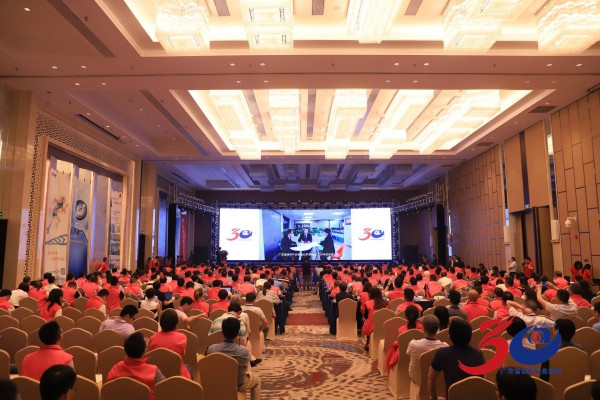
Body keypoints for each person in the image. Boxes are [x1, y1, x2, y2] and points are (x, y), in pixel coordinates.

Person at [428, 318, 485, 399]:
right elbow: (483, 380)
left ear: (450, 336)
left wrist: (434, 398)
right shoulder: (479, 353)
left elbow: (431, 378)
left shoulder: (442, 353)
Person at [206, 317, 261, 400]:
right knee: (257, 381)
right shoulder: (244, 351)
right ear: (238, 333)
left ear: (222, 332)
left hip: (217, 382)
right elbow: (244, 368)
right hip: (238, 384)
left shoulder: (211, 349)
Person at [106, 332, 165, 400]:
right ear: (144, 351)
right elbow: (164, 391)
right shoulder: (154, 372)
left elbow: (108, 391)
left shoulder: (115, 369)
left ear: (125, 349)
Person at [148, 309, 191, 379]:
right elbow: (183, 355)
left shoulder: (152, 338)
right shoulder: (182, 337)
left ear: (161, 322)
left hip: (157, 375)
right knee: (188, 367)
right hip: (178, 376)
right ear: (176, 323)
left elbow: (150, 357)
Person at [406, 315, 448, 385]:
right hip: (437, 379)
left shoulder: (413, 344)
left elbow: (407, 354)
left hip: (417, 378)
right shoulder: (445, 346)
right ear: (438, 329)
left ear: (423, 328)